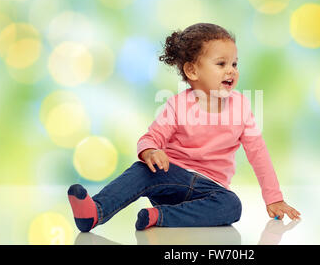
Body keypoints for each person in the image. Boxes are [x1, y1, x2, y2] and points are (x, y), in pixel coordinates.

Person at [67, 23, 301, 232]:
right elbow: (152, 136)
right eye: (221, 64)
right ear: (192, 71)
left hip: (210, 190)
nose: (231, 70)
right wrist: (151, 152)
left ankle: (159, 217)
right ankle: (96, 210)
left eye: (234, 64)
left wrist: (273, 198)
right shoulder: (178, 104)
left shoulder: (242, 107)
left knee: (232, 206)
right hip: (171, 178)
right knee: (142, 170)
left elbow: (258, 153)